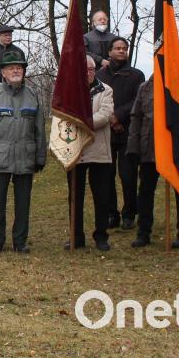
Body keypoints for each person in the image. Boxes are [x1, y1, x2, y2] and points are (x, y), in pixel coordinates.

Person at [0, 50, 46, 253]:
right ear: (3, 73)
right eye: (11, 68)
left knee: (23, 204)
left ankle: (20, 242)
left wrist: (40, 156)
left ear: (24, 71)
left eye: (19, 67)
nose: (16, 70)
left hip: (25, 158)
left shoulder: (32, 95)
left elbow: (40, 128)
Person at [126, 73, 179, 248]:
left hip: (176, 147)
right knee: (145, 191)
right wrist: (133, 146)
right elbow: (136, 117)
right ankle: (143, 232)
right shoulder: (145, 87)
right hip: (149, 147)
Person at [66, 56, 115, 251]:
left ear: (95, 70)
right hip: (74, 150)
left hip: (99, 151)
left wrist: (81, 121)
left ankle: (101, 236)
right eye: (83, 69)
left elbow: (105, 115)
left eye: (90, 69)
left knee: (102, 196)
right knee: (75, 196)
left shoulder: (106, 90)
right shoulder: (68, 90)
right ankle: (76, 236)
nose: (87, 73)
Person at [96, 37, 145, 230]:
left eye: (124, 48)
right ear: (109, 52)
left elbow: (138, 100)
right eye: (118, 48)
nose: (122, 51)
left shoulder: (136, 75)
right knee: (106, 176)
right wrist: (110, 117)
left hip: (128, 131)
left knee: (128, 175)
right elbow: (97, 100)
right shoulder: (100, 75)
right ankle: (111, 214)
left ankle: (129, 213)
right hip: (105, 131)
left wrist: (119, 116)